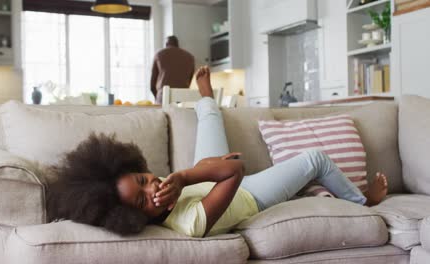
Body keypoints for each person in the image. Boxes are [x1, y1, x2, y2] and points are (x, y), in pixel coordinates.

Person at [47, 66, 388, 237]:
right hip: (248, 194)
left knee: (210, 120)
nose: (153, 187)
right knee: (315, 158)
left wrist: (199, 172)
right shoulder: (188, 224)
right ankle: (363, 201)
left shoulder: (161, 192)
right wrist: (185, 176)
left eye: (143, 178)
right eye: (142, 200)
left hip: (204, 179)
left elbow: (216, 171)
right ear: (134, 217)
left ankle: (206, 95)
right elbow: (236, 170)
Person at [150, 36, 195, 104]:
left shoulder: (159, 54)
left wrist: (158, 98)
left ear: (166, 44)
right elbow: (189, 80)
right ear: (177, 44)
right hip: (183, 99)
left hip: (162, 98)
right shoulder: (190, 57)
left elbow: (152, 85)